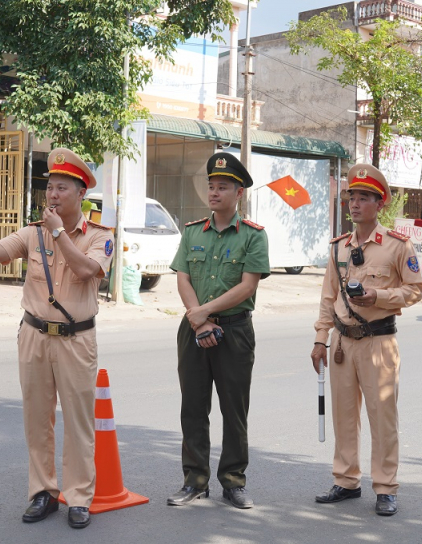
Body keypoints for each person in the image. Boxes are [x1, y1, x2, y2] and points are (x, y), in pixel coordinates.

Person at [0, 148, 114, 529]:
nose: (53, 195)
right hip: (34, 335)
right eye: (50, 188)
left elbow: (85, 270)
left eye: (62, 188)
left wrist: (59, 234)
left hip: (77, 340)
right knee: (36, 420)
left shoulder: (99, 236)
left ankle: (78, 497)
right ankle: (43, 492)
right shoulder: (32, 232)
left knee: (78, 422)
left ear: (81, 194)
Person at [310, 163, 422, 516]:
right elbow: (329, 297)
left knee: (382, 417)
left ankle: (385, 487)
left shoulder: (397, 246)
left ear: (380, 204)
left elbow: (416, 290)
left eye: (364, 198)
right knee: (345, 416)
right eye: (351, 197)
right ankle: (346, 481)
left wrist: (378, 297)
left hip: (378, 343)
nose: (355, 204)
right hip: (344, 344)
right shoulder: (338, 247)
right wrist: (320, 339)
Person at [167, 152, 270, 510]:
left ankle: (233, 482)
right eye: (211, 186)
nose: (214, 192)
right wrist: (197, 320)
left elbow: (247, 287)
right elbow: (182, 277)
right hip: (193, 330)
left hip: (235, 331)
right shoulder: (193, 231)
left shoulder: (254, 236)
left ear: (238, 193)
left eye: (222, 186)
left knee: (234, 410)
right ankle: (194, 480)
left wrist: (205, 312)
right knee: (193, 408)